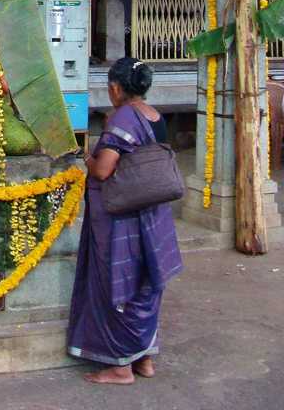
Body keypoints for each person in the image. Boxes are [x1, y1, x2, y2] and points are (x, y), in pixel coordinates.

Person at [68, 57, 183, 384]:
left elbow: (104, 169)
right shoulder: (153, 115)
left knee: (120, 286)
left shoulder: (124, 117)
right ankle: (144, 360)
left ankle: (120, 368)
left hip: (124, 220)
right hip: (152, 214)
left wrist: (86, 156)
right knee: (146, 284)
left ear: (116, 88)